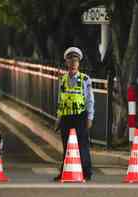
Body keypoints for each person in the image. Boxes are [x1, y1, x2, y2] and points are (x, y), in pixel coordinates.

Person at [53, 47, 94, 181]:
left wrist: (89, 117)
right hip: (66, 117)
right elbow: (60, 99)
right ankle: (64, 171)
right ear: (66, 62)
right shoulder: (62, 79)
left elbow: (90, 100)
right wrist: (58, 118)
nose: (73, 63)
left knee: (82, 145)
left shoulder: (85, 79)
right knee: (66, 146)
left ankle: (86, 172)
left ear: (78, 63)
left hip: (80, 116)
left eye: (75, 60)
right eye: (70, 60)